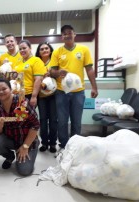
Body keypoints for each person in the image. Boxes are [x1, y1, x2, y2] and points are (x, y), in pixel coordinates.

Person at [50, 25, 98, 155]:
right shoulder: (57, 52)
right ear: (62, 37)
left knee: (76, 121)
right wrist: (58, 72)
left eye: (69, 32)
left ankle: (76, 146)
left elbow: (89, 69)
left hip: (78, 92)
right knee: (62, 121)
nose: (67, 35)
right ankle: (64, 146)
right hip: (61, 92)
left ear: (74, 34)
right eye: (64, 33)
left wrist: (94, 86)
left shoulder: (83, 50)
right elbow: (51, 71)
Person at [0, 78, 40, 176]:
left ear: (11, 89)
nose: (1, 92)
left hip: (28, 141)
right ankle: (10, 156)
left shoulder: (23, 102)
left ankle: (24, 152)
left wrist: (25, 147)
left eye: (4, 89)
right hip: (11, 140)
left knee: (24, 171)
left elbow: (35, 125)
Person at [35, 42, 58, 153]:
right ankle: (44, 142)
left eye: (46, 48)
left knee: (53, 120)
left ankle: (53, 143)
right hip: (41, 96)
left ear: (50, 50)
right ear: (38, 52)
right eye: (41, 49)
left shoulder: (54, 61)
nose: (44, 50)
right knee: (43, 120)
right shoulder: (37, 62)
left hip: (54, 95)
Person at [14, 40, 46, 107]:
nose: (22, 50)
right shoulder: (18, 61)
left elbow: (38, 79)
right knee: (19, 115)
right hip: (18, 94)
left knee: (27, 116)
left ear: (30, 48)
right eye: (20, 49)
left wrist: (34, 97)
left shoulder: (36, 60)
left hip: (29, 94)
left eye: (24, 48)